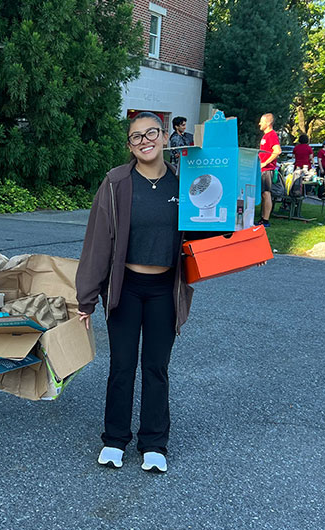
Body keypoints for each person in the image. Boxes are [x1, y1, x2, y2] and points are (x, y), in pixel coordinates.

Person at [75, 112, 205, 474]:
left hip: (165, 289)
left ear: (165, 137)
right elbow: (98, 243)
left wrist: (243, 248)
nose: (145, 140)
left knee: (156, 367)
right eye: (136, 137)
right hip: (127, 288)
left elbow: (204, 233)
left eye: (151, 133)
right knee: (122, 365)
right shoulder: (117, 182)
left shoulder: (183, 185)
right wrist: (86, 297)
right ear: (130, 145)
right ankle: (115, 439)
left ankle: (154, 443)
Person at [257, 113, 281, 227]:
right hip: (263, 169)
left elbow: (277, 151)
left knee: (266, 193)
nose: (259, 124)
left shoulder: (272, 135)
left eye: (262, 121)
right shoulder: (265, 136)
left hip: (267, 169)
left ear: (268, 123)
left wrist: (265, 163)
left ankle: (265, 220)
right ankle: (262, 218)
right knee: (263, 193)